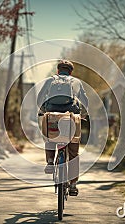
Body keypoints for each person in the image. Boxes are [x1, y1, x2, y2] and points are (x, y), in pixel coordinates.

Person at [37, 60, 88, 196]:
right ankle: (73, 184)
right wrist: (84, 113)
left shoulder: (50, 80)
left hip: (52, 114)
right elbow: (85, 101)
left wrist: (42, 110)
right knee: (73, 150)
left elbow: (40, 97)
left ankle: (49, 161)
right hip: (71, 116)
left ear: (58, 70)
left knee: (50, 137)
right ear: (71, 72)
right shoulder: (76, 82)